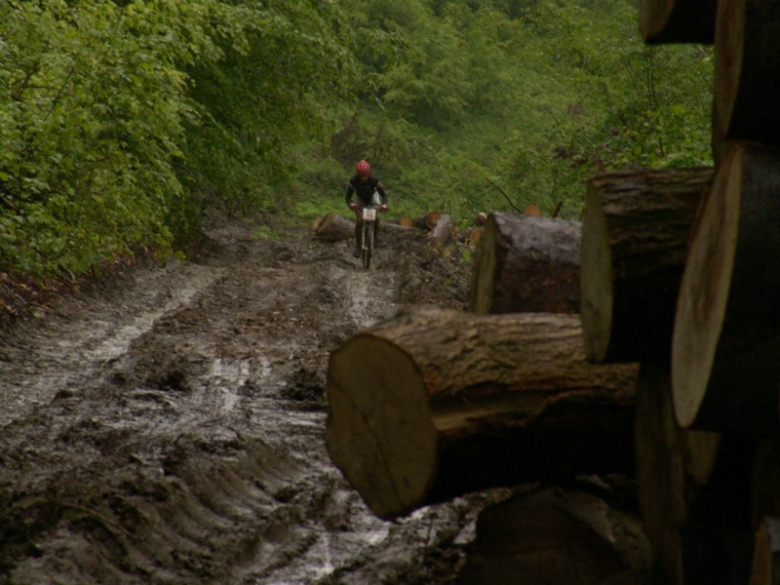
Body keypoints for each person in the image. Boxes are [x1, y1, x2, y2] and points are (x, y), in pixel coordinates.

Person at [345, 160, 388, 258]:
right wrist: (351, 204)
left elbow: (384, 194)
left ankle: (375, 239)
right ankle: (358, 247)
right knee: (360, 221)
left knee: (376, 219)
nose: (363, 178)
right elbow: (348, 196)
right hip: (360, 200)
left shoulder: (374, 181)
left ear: (369, 173)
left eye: (365, 175)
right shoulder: (353, 181)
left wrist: (384, 204)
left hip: (373, 198)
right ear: (358, 174)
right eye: (361, 176)